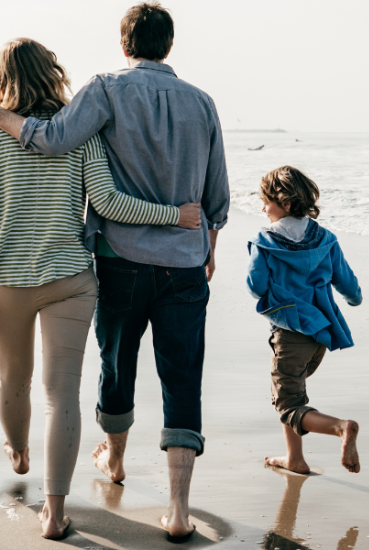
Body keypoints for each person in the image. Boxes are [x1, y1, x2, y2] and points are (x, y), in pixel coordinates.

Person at [0, 2, 230, 540]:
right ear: (168, 45)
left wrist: (8, 118)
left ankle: (89, 455)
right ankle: (172, 508)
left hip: (109, 262)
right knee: (177, 378)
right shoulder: (202, 103)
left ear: (124, 46)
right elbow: (215, 194)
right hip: (166, 264)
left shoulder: (103, 93)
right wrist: (204, 241)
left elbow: (53, 139)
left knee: (105, 367)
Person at [246, 166, 362, 475]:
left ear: (283, 203)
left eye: (266, 201)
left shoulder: (265, 241)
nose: (262, 208)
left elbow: (255, 285)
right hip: (321, 330)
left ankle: (340, 427)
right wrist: (354, 299)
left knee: (288, 403)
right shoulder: (325, 238)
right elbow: (347, 283)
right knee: (294, 392)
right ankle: (294, 458)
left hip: (290, 331)